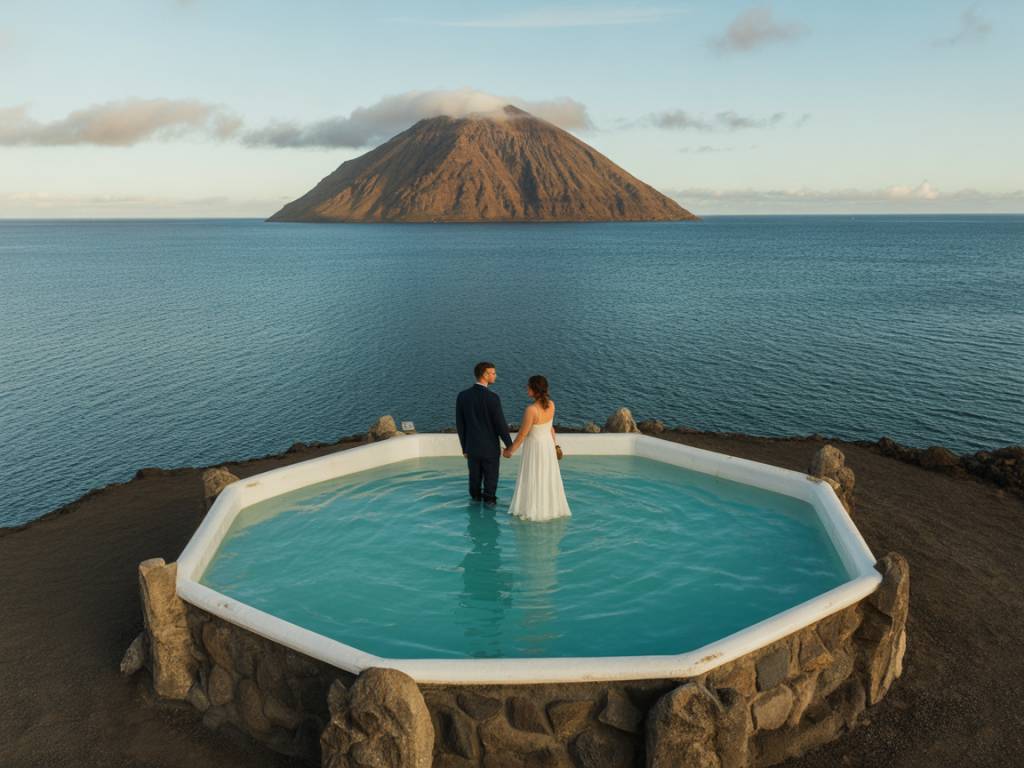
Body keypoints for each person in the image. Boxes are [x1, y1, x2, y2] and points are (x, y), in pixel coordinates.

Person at [503, 375, 571, 521]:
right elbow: (550, 428)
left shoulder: (531, 410)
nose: (526, 388)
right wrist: (555, 445)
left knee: (533, 476)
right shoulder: (551, 405)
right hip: (546, 446)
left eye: (528, 386)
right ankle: (549, 508)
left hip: (535, 447)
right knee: (546, 476)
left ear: (534, 389)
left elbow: (522, 435)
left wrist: (509, 452)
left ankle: (532, 509)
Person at [456, 362, 513, 506]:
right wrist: (509, 446)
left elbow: (460, 425)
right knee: (490, 483)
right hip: (490, 449)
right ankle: (489, 509)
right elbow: (500, 425)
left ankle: (474, 507)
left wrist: (464, 448)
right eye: (493, 373)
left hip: (472, 448)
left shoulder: (462, 396)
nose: (495, 376)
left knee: (474, 482)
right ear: (485, 375)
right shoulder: (493, 398)